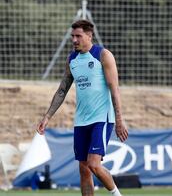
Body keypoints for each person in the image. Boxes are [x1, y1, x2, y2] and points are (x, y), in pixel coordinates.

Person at [36, 19, 128, 196]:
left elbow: (114, 89)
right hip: (81, 121)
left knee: (94, 165)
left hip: (102, 118)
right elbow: (62, 90)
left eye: (78, 36)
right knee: (84, 169)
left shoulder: (103, 55)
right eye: (72, 36)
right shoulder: (72, 59)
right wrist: (47, 117)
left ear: (89, 35)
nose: (74, 40)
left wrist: (119, 120)